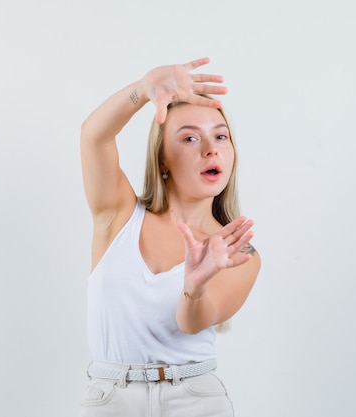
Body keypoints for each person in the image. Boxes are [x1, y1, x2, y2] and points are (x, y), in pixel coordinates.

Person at [79, 57, 261, 417]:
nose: (211, 148)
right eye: (190, 137)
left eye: (220, 136)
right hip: (112, 399)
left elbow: (191, 323)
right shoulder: (118, 216)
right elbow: (93, 137)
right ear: (162, 159)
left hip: (194, 399)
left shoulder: (238, 252)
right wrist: (143, 89)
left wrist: (195, 285)